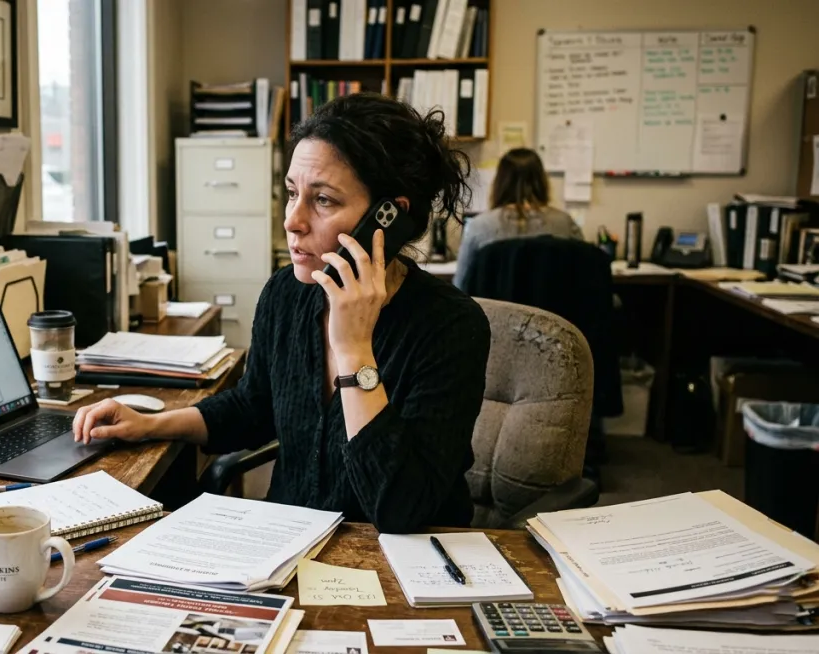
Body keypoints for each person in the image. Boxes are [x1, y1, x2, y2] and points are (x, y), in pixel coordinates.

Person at [73, 94, 490, 533]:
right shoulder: (286, 294)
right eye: (292, 193)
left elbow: (399, 509)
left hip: (396, 559)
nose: (293, 220)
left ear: (388, 218)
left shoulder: (450, 327)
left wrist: (354, 352)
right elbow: (253, 408)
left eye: (323, 200)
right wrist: (150, 424)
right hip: (288, 544)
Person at [452, 147, 584, 289]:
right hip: (554, 303)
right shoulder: (565, 223)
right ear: (542, 182)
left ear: (500, 183)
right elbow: (585, 278)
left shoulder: (479, 226)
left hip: (495, 304)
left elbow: (460, 286)